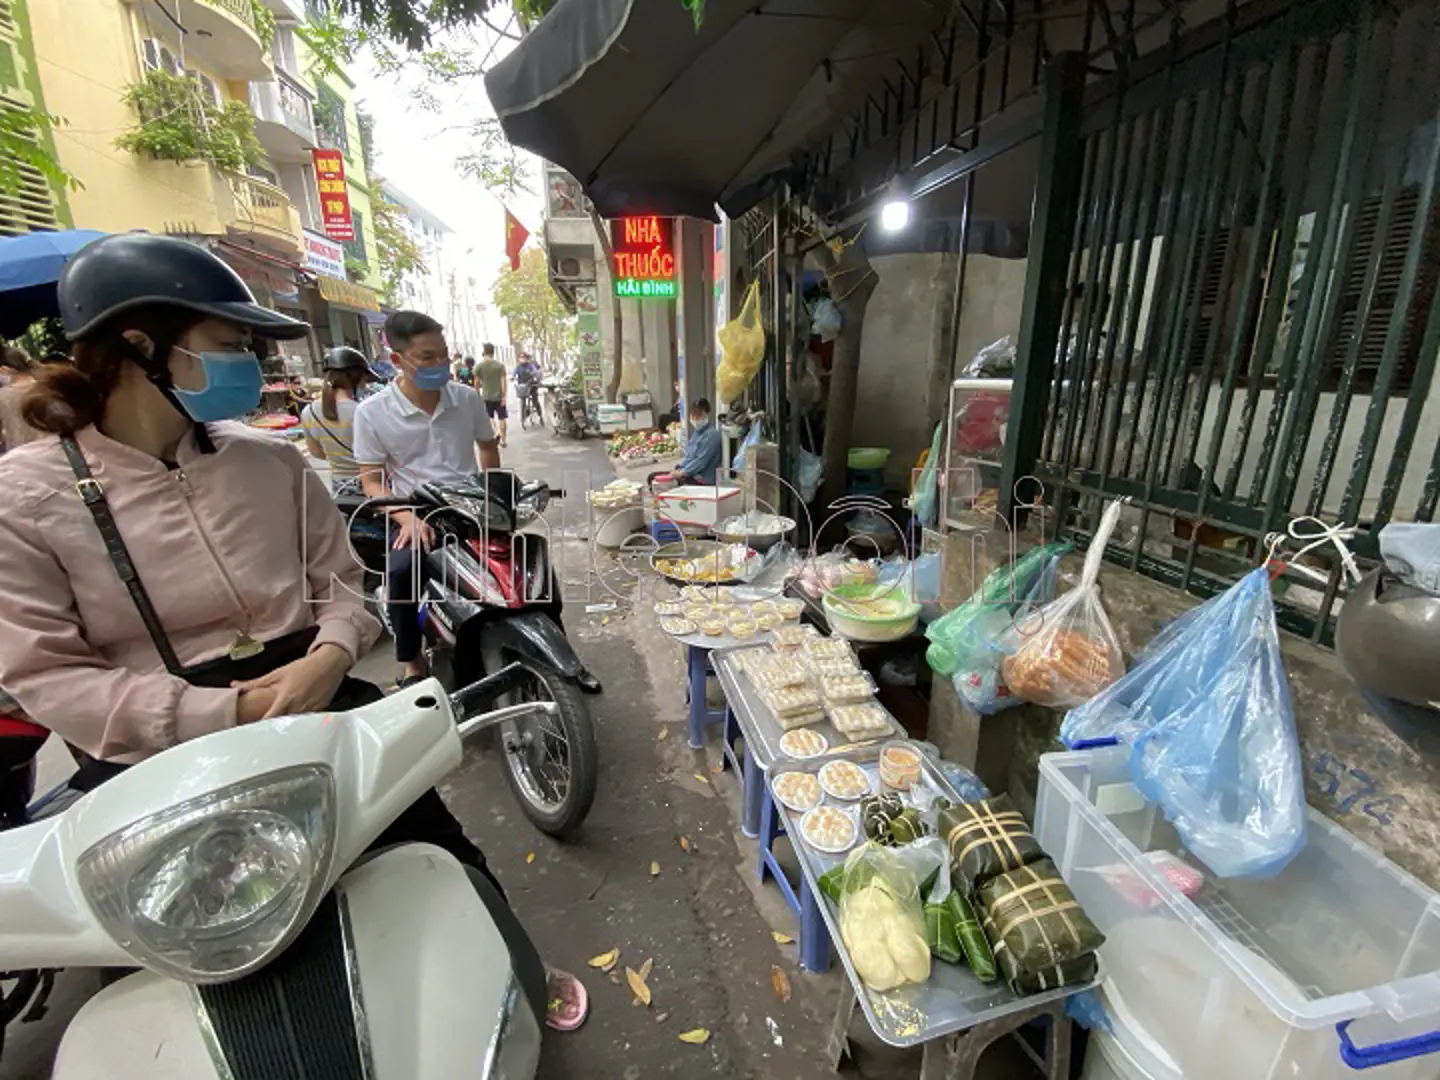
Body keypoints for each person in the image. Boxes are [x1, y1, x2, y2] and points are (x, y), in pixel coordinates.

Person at [0, 237, 587, 1030]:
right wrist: (220, 714)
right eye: (229, 346)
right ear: (138, 347)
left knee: (442, 851)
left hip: (318, 690)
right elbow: (46, 675)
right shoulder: (25, 498)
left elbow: (341, 584)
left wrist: (333, 653)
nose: (248, 364)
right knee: (172, 962)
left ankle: (511, 960)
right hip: (151, 746)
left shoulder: (270, 465)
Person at [353, 311, 603, 695]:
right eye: (427, 356)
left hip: (470, 503)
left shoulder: (465, 398)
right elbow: (371, 480)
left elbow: (487, 447)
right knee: (403, 568)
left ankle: (559, 647)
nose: (439, 364)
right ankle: (411, 660)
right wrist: (404, 518)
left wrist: (493, 495)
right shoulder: (373, 413)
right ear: (397, 360)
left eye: (443, 354)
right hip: (415, 510)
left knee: (529, 557)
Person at [301, 346, 374, 495]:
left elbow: (316, 453)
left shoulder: (308, 412)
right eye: (365, 379)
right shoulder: (363, 412)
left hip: (340, 487)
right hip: (371, 485)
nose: (365, 385)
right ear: (356, 378)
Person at [0, 344, 43, 453]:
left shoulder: (3, 396)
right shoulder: (44, 386)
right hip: (51, 451)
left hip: (20, 456)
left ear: (4, 369)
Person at [672, 397, 723, 485]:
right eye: (694, 414)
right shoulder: (697, 433)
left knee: (668, 483)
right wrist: (681, 467)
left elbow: (701, 461)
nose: (696, 418)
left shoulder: (712, 435)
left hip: (703, 478)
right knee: (655, 478)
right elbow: (690, 456)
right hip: (692, 473)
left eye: (700, 414)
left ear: (707, 414)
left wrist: (683, 472)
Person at [474, 342, 508, 447]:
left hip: (486, 396)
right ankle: (503, 440)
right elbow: (503, 382)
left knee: (490, 417)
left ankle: (495, 431)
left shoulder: (479, 366)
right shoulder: (500, 366)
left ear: (484, 352)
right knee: (502, 418)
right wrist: (503, 396)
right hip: (499, 396)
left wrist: (477, 394)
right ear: (493, 352)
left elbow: (476, 383)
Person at [513, 351, 541, 423]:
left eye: (524, 358)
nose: (522, 359)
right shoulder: (518, 367)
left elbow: (535, 371)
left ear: (526, 358)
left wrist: (534, 374)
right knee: (523, 403)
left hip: (531, 386)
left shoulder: (530, 365)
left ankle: (540, 415)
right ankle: (523, 418)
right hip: (523, 387)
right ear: (519, 359)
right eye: (521, 358)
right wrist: (512, 377)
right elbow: (514, 373)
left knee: (535, 401)